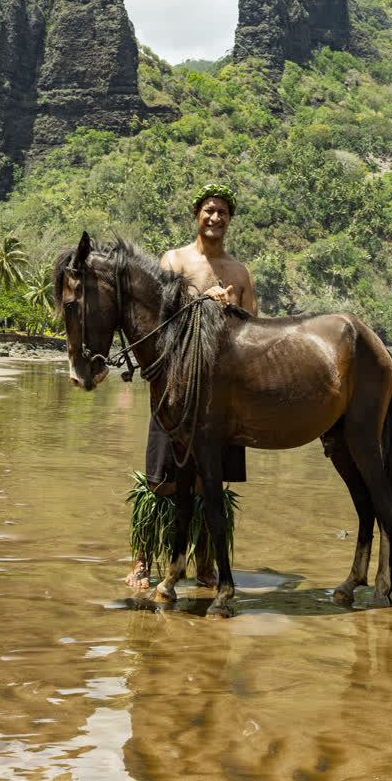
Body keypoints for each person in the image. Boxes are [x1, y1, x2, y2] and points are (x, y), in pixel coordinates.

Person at [125, 183, 257, 589]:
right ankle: (142, 561)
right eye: (209, 210)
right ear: (196, 215)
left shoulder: (239, 272)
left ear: (230, 221)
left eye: (223, 212)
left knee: (208, 481)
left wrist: (230, 309)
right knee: (160, 476)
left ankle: (203, 564)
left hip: (219, 394)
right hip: (175, 390)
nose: (215, 218)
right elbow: (161, 322)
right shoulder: (174, 260)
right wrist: (202, 301)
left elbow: (251, 330)